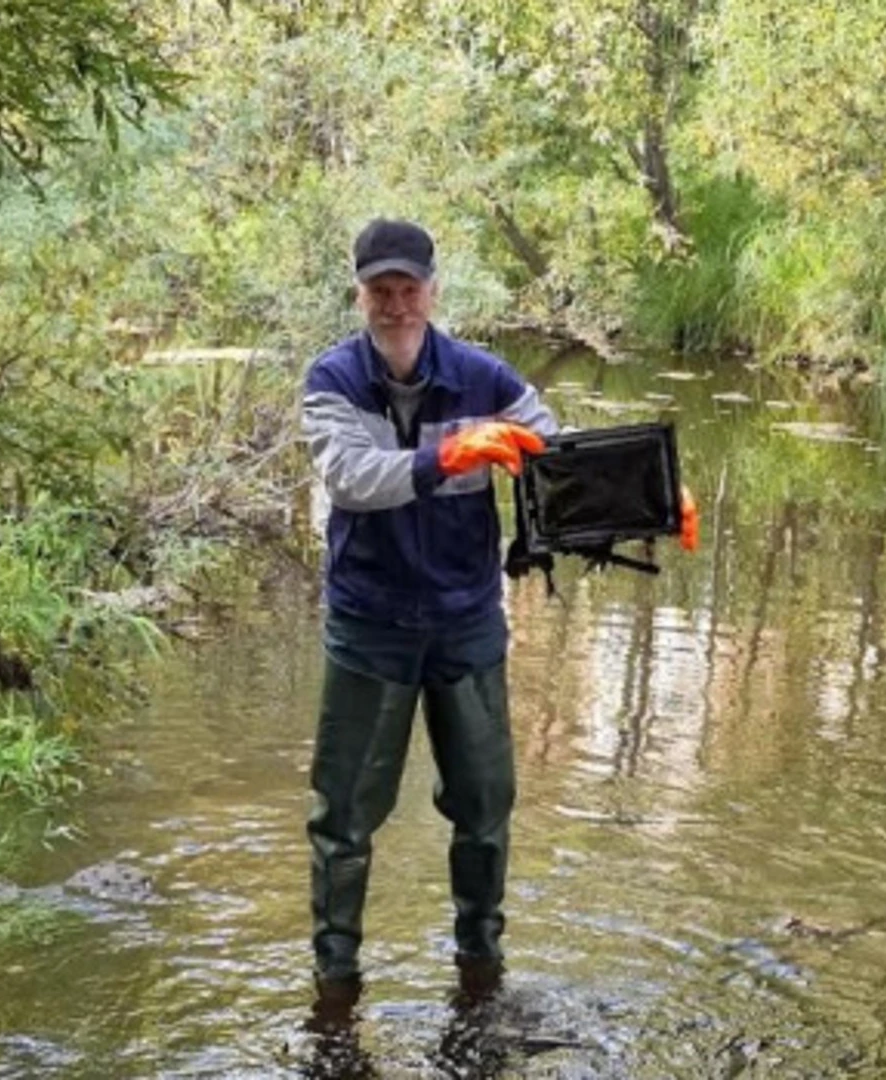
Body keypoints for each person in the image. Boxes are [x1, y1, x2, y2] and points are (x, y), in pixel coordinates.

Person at [298, 218, 559, 1014]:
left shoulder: (483, 377)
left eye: (408, 288)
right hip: (370, 622)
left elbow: (555, 449)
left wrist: (651, 496)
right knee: (344, 815)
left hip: (467, 620)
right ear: (360, 295)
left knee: (485, 803)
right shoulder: (332, 379)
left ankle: (480, 964)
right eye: (381, 290)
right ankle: (335, 981)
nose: (396, 303)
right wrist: (444, 456)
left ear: (432, 291)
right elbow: (348, 475)